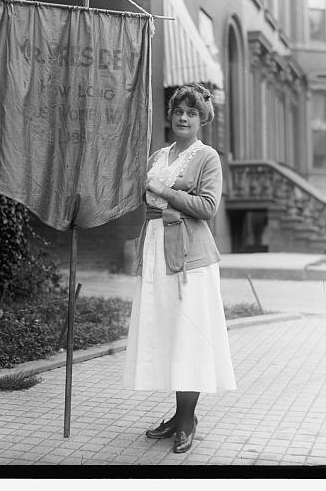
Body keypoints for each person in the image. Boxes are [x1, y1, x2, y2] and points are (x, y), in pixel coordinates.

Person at [123, 82, 237, 454]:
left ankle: (188, 419)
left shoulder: (207, 157)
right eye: (177, 112)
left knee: (190, 335)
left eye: (191, 112)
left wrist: (165, 192)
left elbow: (207, 207)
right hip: (157, 251)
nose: (183, 118)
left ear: (202, 117)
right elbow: (147, 198)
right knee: (169, 332)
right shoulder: (160, 154)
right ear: (170, 116)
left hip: (191, 259)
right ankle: (176, 415)